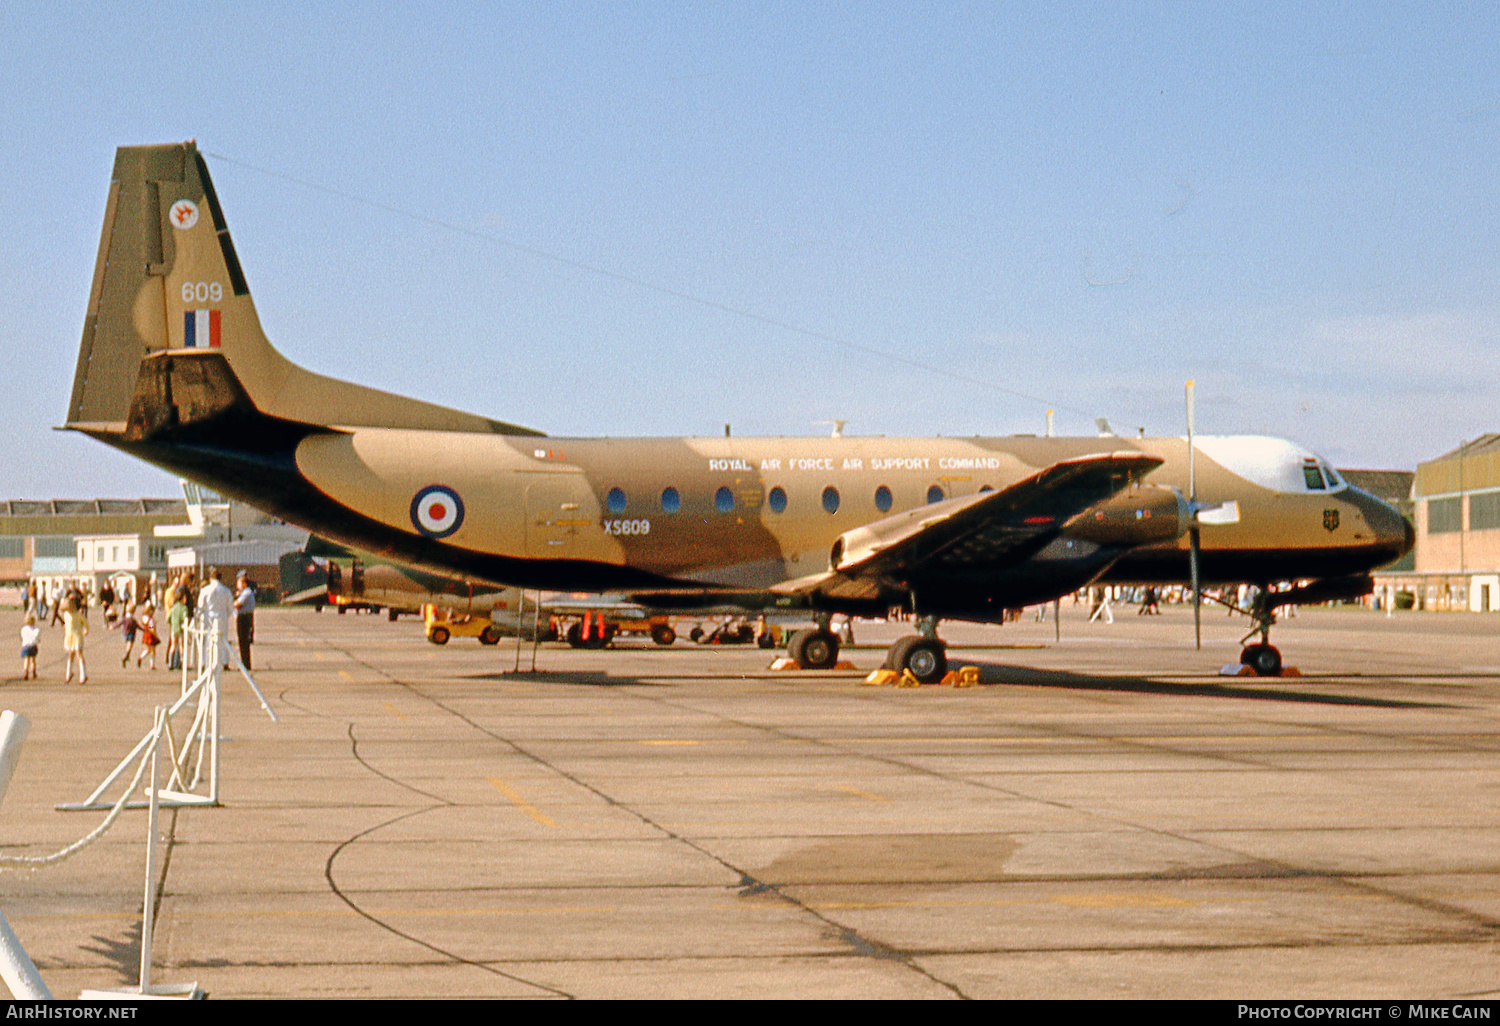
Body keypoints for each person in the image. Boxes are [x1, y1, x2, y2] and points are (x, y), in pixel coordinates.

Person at [197, 568, 234, 669]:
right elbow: (230, 607)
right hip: (222, 616)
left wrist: (201, 616)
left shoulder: (205, 590)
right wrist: (226, 615)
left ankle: (206, 662)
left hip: (208, 616)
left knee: (208, 639)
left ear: (211, 578)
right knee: (223, 639)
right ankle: (225, 662)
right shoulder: (226, 591)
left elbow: (200, 606)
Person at [62, 588, 88, 684]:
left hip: (77, 636)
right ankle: (68, 674)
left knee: (79, 654)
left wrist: (86, 630)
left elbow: (85, 622)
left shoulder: (78, 614)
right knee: (71, 655)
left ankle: (83, 675)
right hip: (69, 637)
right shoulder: (66, 614)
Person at [234, 570, 256, 671]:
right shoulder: (246, 592)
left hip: (243, 618)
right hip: (246, 617)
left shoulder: (246, 593)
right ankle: (245, 663)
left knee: (243, 642)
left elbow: (237, 604)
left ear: (244, 583)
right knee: (243, 642)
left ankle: (245, 664)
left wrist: (234, 601)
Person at [166, 586, 189, 671]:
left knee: (173, 645)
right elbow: (185, 618)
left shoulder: (173, 607)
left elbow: (168, 619)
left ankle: (170, 663)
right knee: (181, 646)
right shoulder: (183, 608)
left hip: (173, 629)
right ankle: (182, 663)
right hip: (180, 630)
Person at [136, 602, 159, 670]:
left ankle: (141, 657)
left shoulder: (143, 617)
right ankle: (152, 664)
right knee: (153, 650)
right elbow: (152, 628)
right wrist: (156, 635)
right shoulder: (151, 619)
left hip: (145, 634)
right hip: (151, 635)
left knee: (149, 649)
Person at [19, 614, 40, 680]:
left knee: (26, 660)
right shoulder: (36, 629)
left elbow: (22, 637)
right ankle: (34, 672)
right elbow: (37, 637)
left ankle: (26, 672)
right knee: (33, 660)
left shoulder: (23, 629)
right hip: (33, 645)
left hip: (26, 645)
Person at [119, 603, 139, 668]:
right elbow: (138, 626)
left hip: (125, 633)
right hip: (131, 634)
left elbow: (120, 623)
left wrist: (113, 627)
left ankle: (127, 656)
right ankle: (125, 656)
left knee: (128, 645)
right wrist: (145, 629)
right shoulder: (132, 619)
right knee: (129, 646)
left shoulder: (125, 617)